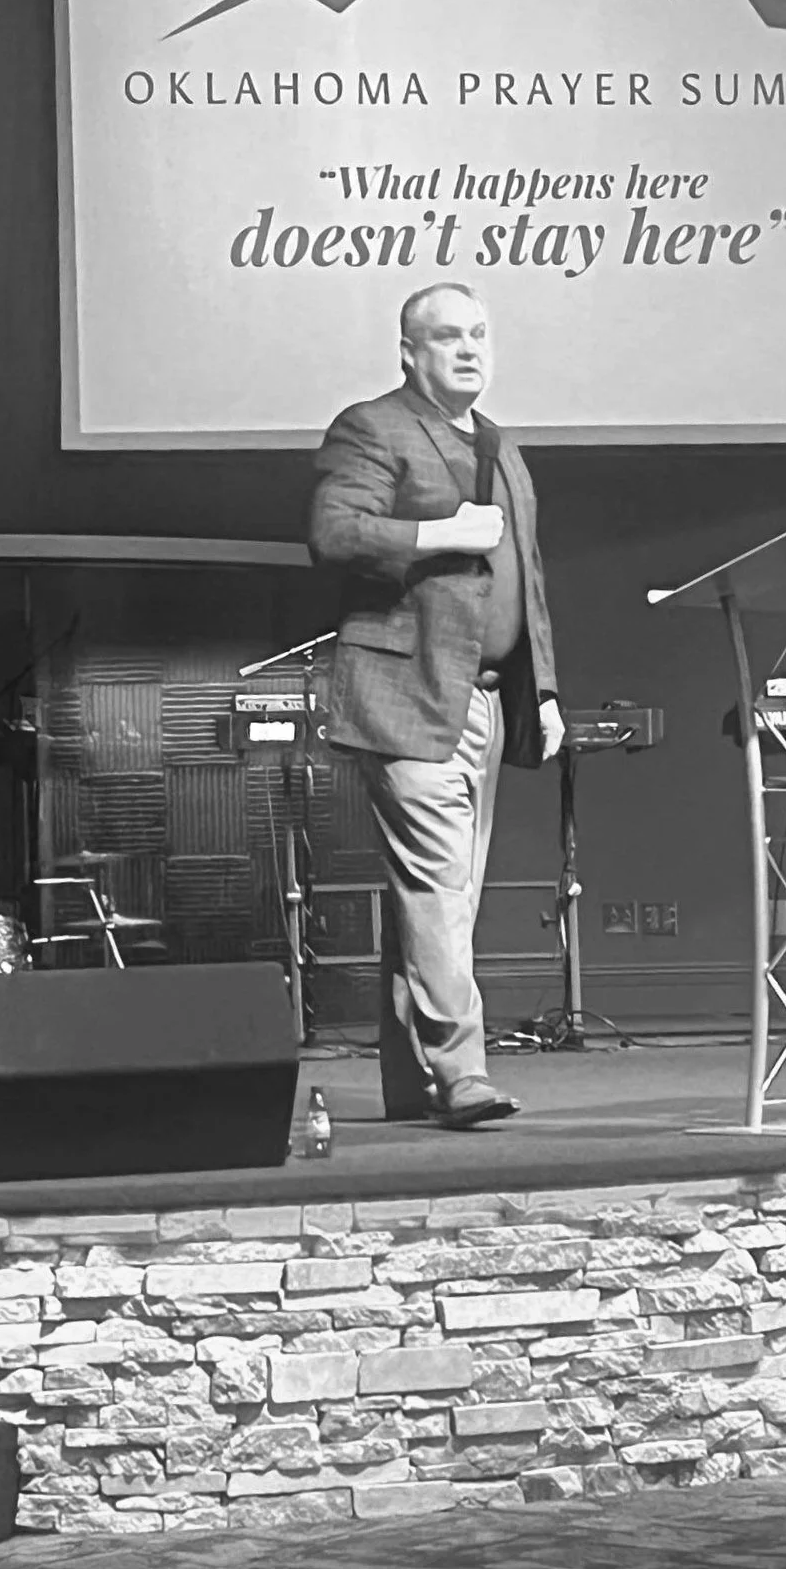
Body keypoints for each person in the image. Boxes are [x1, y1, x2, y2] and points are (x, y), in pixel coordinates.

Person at [309, 283, 564, 1129]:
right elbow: (335, 533)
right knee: (437, 891)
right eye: (446, 337)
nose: (467, 350)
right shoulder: (372, 427)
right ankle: (463, 1074)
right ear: (409, 352)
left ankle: (411, 1080)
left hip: (484, 702)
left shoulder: (500, 444)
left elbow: (525, 582)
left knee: (441, 896)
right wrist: (439, 533)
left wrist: (547, 691)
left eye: (478, 335)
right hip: (404, 690)